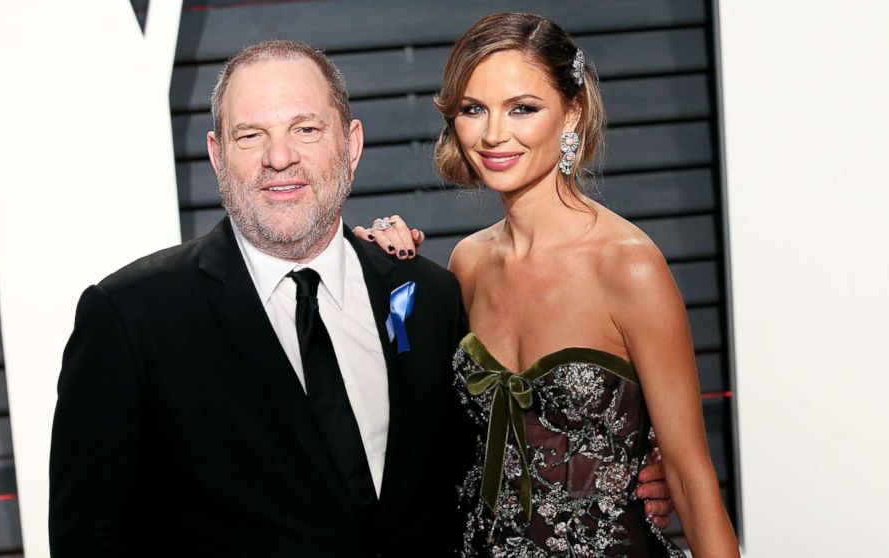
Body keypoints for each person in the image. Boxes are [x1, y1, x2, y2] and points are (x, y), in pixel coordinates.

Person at [49, 39, 673, 556]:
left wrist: (628, 472)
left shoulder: (425, 296)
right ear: (217, 156)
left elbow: (492, 452)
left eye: (305, 128)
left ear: (349, 146)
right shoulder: (130, 318)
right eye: (249, 136)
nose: (280, 158)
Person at [355, 12, 739, 557]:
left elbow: (689, 479)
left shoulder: (627, 266)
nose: (493, 134)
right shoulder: (467, 263)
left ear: (572, 112)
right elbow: (427, 433)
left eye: (522, 109)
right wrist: (389, 278)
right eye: (473, 109)